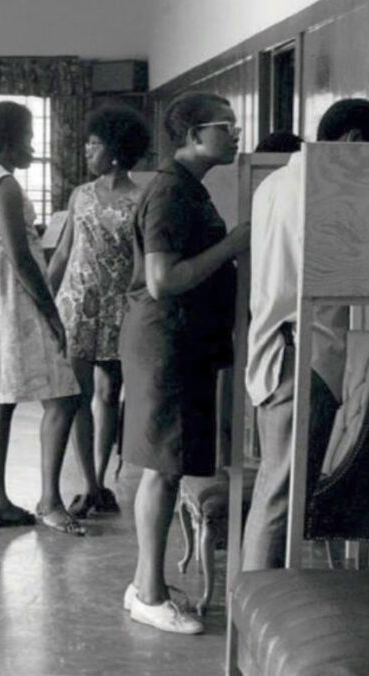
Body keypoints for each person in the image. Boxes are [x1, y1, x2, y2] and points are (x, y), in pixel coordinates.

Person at [119, 92, 250, 634]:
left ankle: (143, 584)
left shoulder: (187, 187)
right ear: (195, 135)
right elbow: (163, 279)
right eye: (227, 125)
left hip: (179, 341)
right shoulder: (172, 191)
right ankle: (150, 596)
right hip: (165, 340)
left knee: (167, 468)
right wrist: (236, 243)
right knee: (162, 469)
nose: (236, 134)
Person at [241, 100, 369, 571]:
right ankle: (254, 605)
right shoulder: (328, 189)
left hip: (276, 347)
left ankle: (252, 601)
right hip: (305, 352)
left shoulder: (275, 182)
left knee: (276, 491)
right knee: (282, 498)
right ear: (354, 141)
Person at [0, 101, 83, 536]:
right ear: (8, 141)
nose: (33, 147)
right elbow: (20, 256)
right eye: (28, 138)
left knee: (0, 396)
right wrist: (51, 311)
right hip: (12, 292)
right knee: (63, 396)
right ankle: (50, 501)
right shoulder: (4, 183)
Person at [48, 104, 150, 518]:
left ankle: (101, 479)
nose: (87, 151)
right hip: (76, 303)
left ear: (117, 150)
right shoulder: (81, 194)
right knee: (77, 396)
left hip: (119, 306)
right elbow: (63, 252)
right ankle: (89, 483)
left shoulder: (141, 199)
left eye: (94, 145)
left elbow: (143, 261)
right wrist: (44, 300)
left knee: (109, 394)